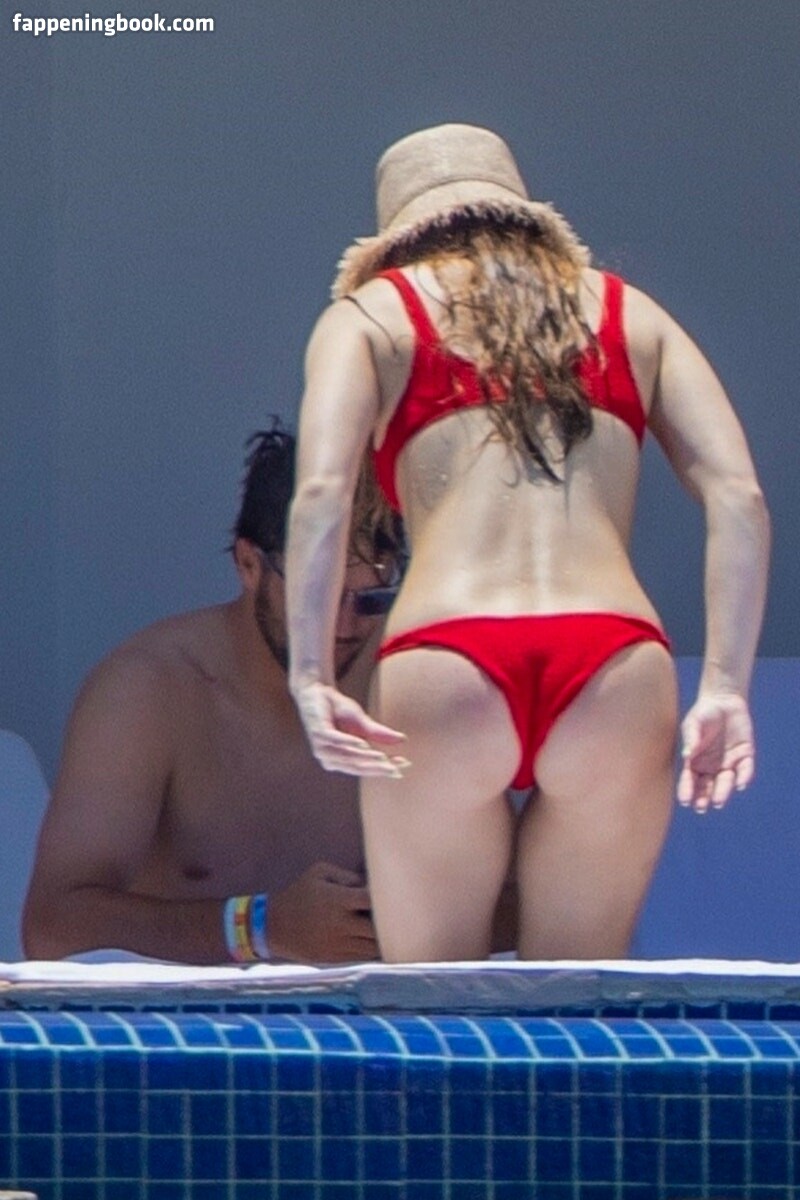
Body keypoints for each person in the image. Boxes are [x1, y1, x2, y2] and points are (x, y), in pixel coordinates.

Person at [286, 123, 770, 964]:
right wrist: (726, 686)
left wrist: (309, 673)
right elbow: (740, 497)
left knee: (433, 1008)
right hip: (612, 661)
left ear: (394, 238)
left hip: (447, 656)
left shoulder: (369, 317)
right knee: (577, 1006)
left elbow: (322, 495)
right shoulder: (632, 316)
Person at [22, 426, 406, 965]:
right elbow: (53, 927)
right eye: (318, 596)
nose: (342, 626)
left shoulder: (402, 680)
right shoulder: (149, 691)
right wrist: (260, 927)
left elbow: (506, 901)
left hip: (359, 1017)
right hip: (186, 1017)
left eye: (370, 600)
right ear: (249, 564)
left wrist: (404, 921)